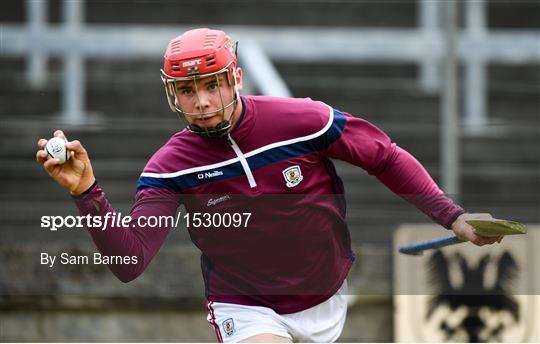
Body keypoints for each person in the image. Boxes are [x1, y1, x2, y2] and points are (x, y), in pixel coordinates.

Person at [36, 28, 502, 343]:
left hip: (325, 296)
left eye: (212, 85)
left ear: (235, 77)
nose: (201, 102)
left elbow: (384, 157)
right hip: (244, 304)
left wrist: (454, 217)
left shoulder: (305, 121)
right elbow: (131, 261)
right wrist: (87, 191)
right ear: (172, 94)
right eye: (187, 91)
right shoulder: (169, 166)